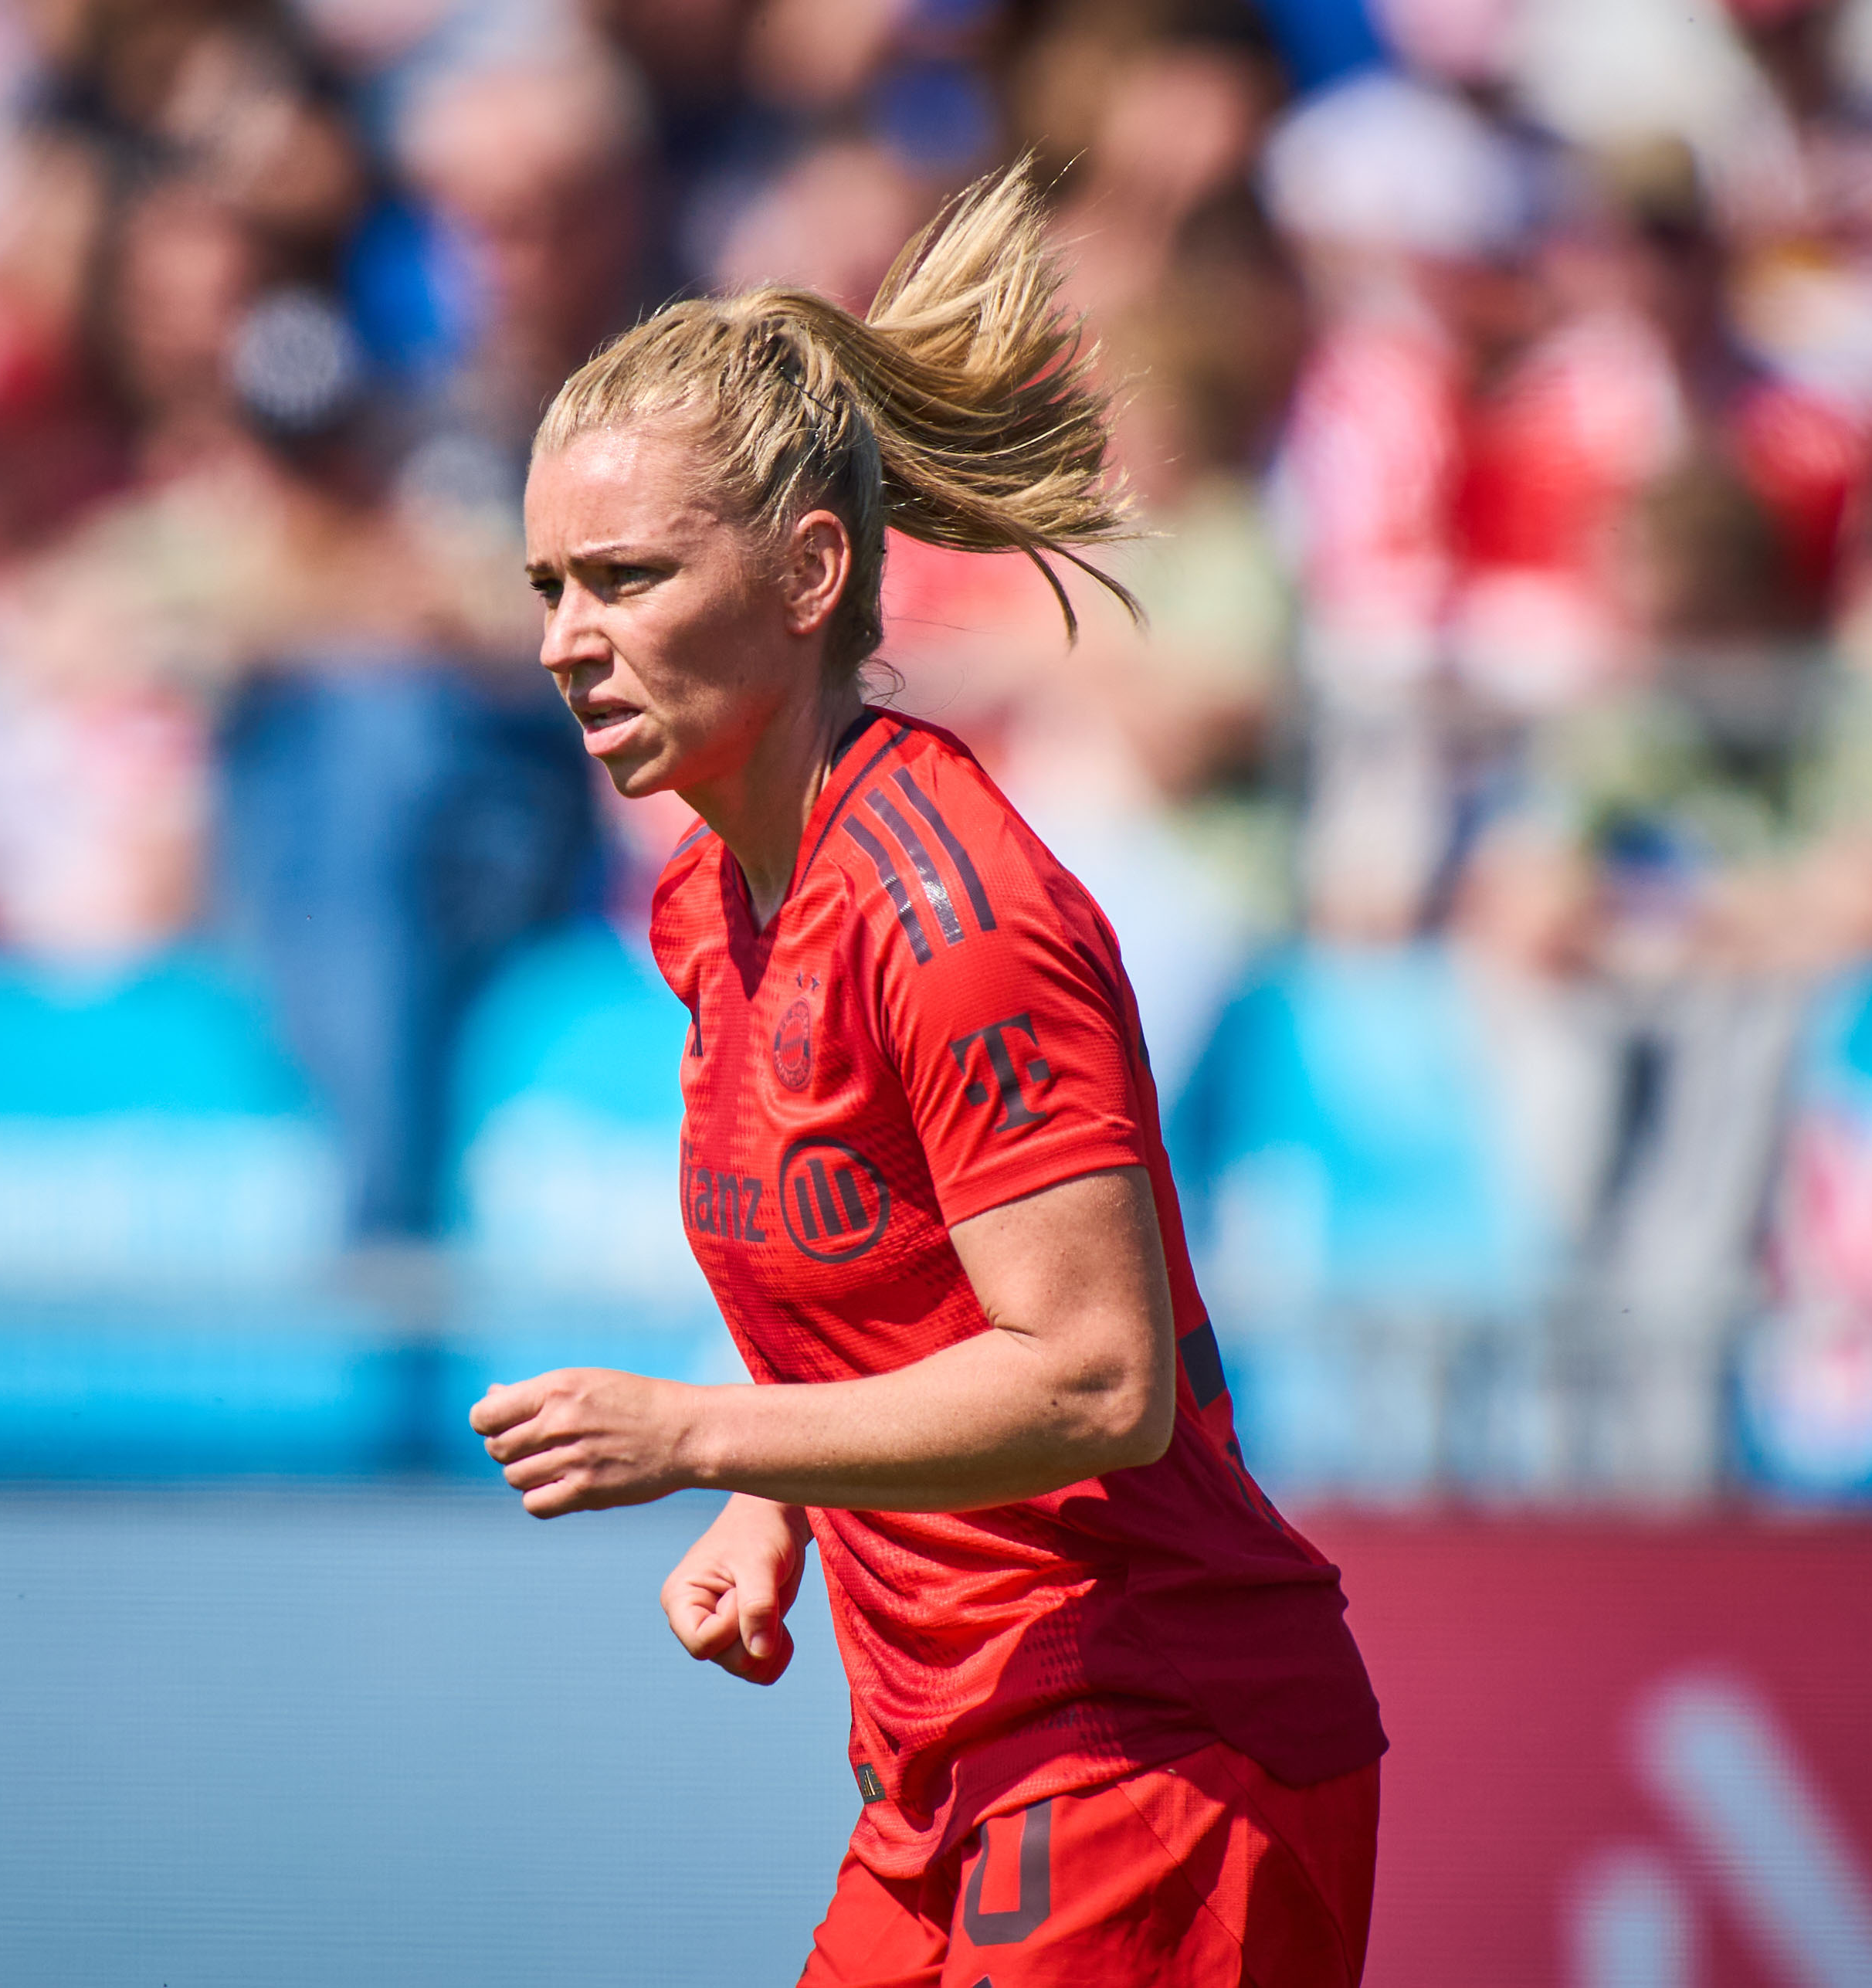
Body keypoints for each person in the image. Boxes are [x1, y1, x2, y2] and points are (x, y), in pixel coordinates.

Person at [470, 165, 1385, 1987]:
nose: (571, 634)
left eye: (629, 576)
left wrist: (693, 1436)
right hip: (945, 1760)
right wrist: (775, 1503)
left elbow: (1098, 1379)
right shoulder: (713, 901)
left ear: (811, 573)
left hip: (1152, 1751)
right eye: (550, 584)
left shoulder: (950, 917)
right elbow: (890, 1291)